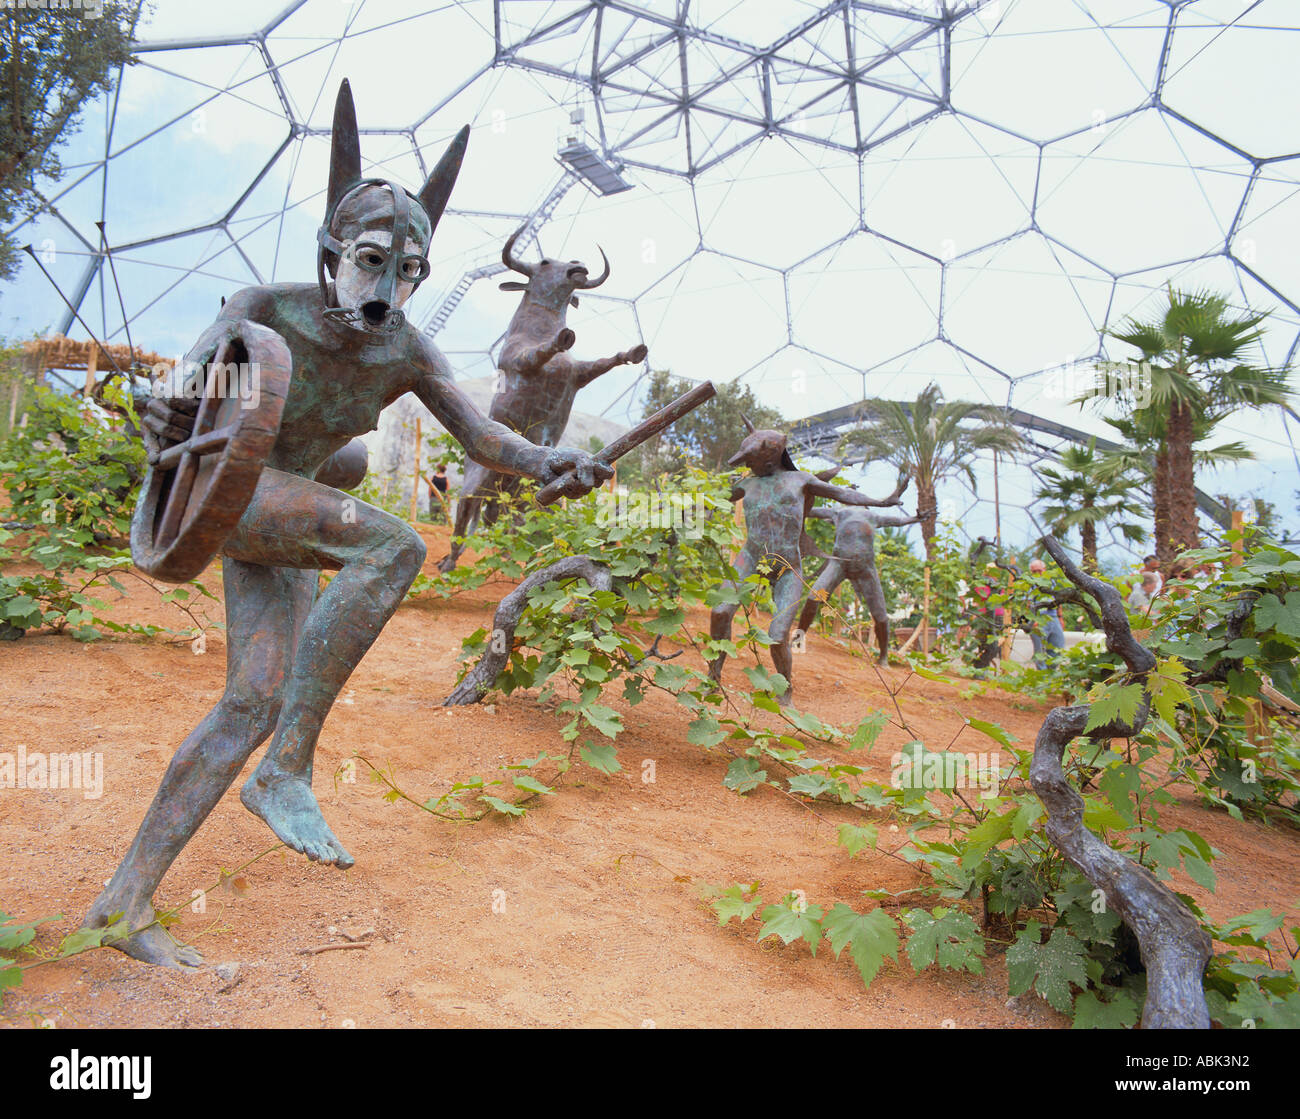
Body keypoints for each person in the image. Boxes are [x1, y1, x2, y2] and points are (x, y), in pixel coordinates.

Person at [83, 81, 612, 969]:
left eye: (408, 274)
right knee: (395, 542)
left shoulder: (405, 348)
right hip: (234, 492)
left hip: (279, 517)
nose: (387, 289)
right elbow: (186, 396)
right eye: (372, 262)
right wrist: (162, 410)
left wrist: (553, 460)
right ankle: (290, 767)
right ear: (333, 251)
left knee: (248, 700)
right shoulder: (265, 308)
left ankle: (122, 902)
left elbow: (486, 437)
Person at [1027, 557, 1066, 667]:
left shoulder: (1052, 583)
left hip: (1053, 618)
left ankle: (1051, 674)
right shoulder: (1031, 585)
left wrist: (1060, 617)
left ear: (1044, 569)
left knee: (1058, 646)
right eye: (1034, 571)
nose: (1037, 573)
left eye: (1039, 570)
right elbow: (1027, 605)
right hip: (1038, 619)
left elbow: (1059, 601)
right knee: (1040, 652)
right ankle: (1042, 678)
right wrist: (1031, 621)